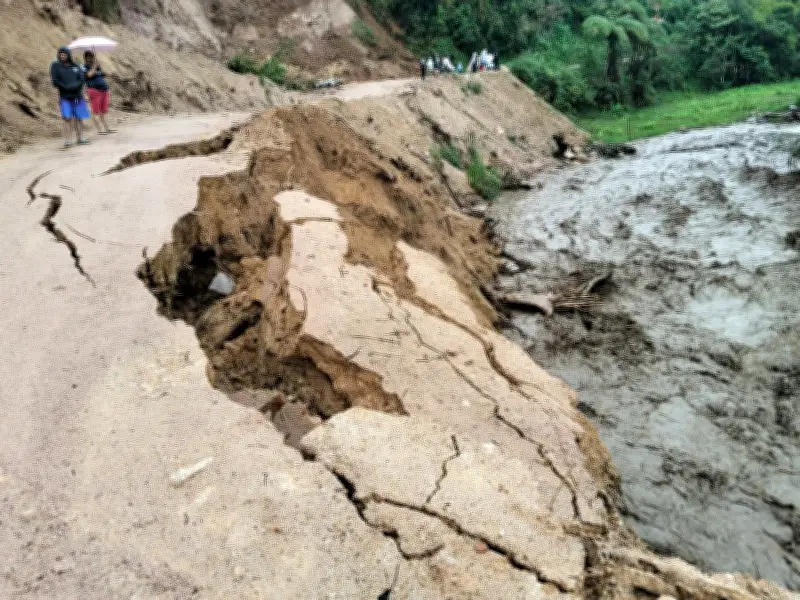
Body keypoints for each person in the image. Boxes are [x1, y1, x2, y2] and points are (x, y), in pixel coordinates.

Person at [50, 46, 90, 148]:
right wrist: (66, 87)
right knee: (67, 118)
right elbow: (55, 81)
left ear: (68, 55)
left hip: (77, 96)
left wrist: (74, 86)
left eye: (64, 54)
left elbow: (82, 79)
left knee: (79, 117)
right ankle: (68, 140)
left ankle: (80, 138)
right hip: (65, 96)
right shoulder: (55, 66)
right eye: (61, 54)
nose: (62, 56)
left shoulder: (76, 66)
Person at [83, 50, 115, 134]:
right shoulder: (84, 67)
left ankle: (107, 128)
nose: (90, 58)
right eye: (88, 57)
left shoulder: (97, 66)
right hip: (94, 90)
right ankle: (100, 130)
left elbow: (101, 75)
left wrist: (104, 72)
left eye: (91, 57)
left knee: (104, 111)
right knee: (96, 111)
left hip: (104, 90)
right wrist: (94, 67)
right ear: (85, 58)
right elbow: (88, 75)